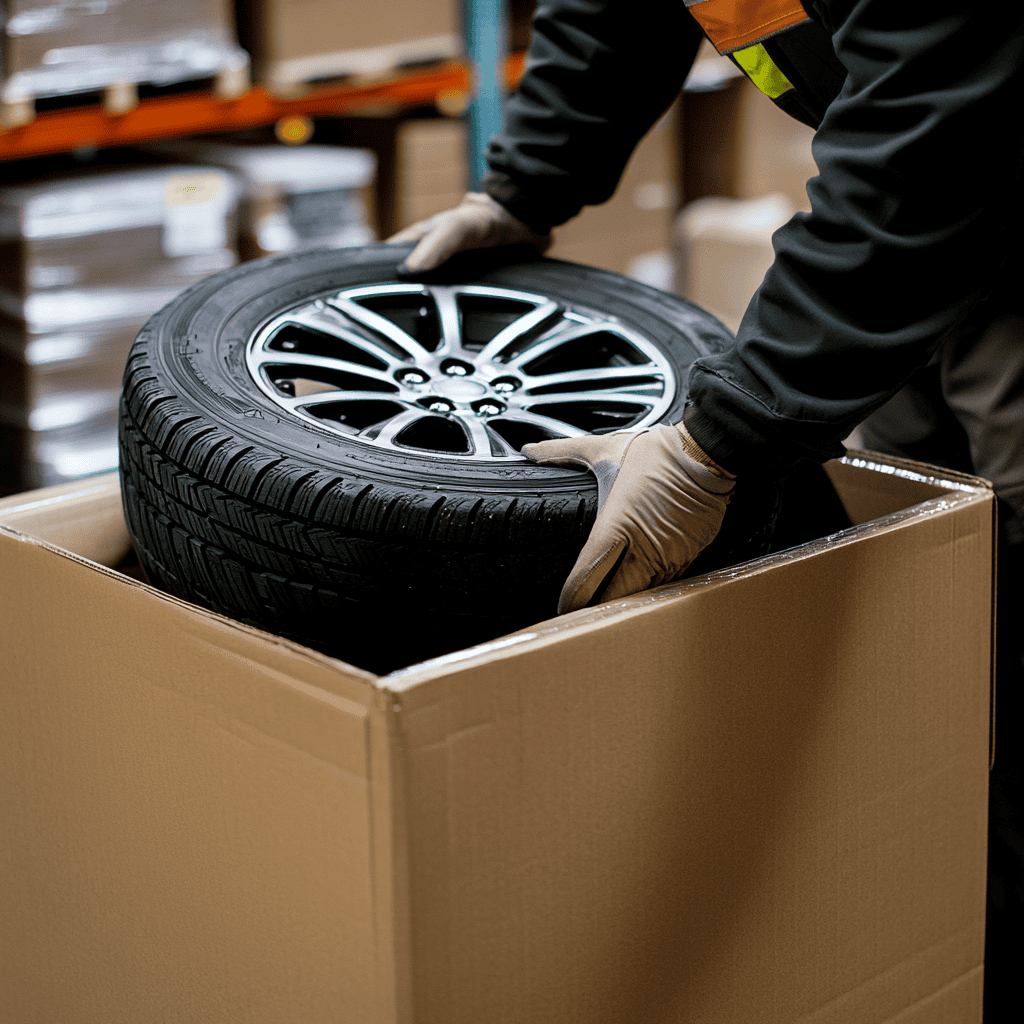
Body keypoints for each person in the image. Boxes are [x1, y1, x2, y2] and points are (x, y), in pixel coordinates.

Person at [388, 3, 1024, 1011]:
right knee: (934, 599)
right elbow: (618, 7)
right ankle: (933, 923)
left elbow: (927, 124)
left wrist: (714, 443)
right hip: (933, 210)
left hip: (979, 164)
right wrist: (527, 184)